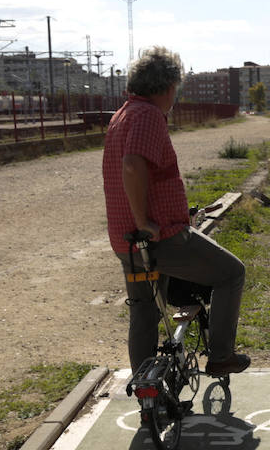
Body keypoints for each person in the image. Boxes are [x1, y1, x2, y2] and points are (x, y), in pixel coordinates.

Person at [102, 46, 250, 376]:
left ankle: (147, 397)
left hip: (127, 242)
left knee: (143, 313)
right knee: (231, 274)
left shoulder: (122, 115)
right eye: (176, 90)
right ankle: (222, 355)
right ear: (167, 86)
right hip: (161, 238)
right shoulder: (148, 116)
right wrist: (146, 221)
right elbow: (132, 164)